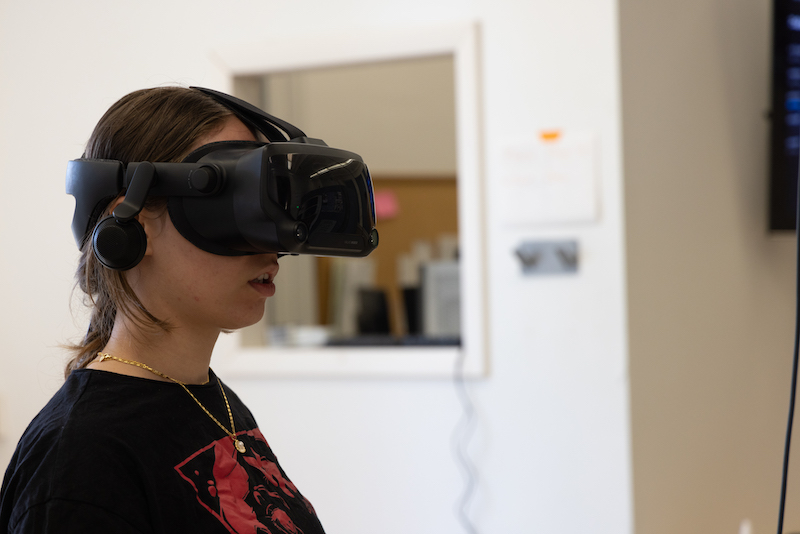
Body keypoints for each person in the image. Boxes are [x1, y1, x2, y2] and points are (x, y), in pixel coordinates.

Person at [0, 86, 329, 533]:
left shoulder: (210, 399)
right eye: (237, 207)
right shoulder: (80, 460)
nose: (270, 244)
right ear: (134, 222)